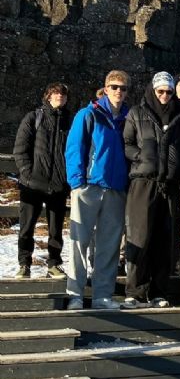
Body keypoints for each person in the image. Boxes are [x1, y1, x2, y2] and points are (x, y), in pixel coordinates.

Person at [64, 71, 131, 310]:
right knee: (79, 242)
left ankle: (103, 295)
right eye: (114, 87)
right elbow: (74, 147)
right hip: (89, 186)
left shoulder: (128, 118)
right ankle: (75, 294)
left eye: (123, 88)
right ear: (105, 88)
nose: (118, 92)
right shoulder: (89, 113)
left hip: (115, 189)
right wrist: (77, 182)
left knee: (109, 245)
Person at [122, 72, 180, 308]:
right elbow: (127, 144)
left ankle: (159, 291)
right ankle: (135, 291)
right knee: (140, 236)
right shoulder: (136, 112)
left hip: (170, 185)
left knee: (165, 239)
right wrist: (142, 157)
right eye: (160, 91)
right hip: (144, 181)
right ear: (153, 90)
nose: (164, 95)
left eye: (168, 91)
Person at [13, 82, 71, 280]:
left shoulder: (69, 121)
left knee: (56, 231)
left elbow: (73, 152)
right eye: (56, 93)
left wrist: (67, 179)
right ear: (48, 96)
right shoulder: (34, 117)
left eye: (63, 95)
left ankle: (54, 264)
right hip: (32, 185)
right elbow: (20, 149)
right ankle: (24, 264)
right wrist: (27, 175)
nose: (59, 97)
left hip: (58, 185)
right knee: (26, 228)